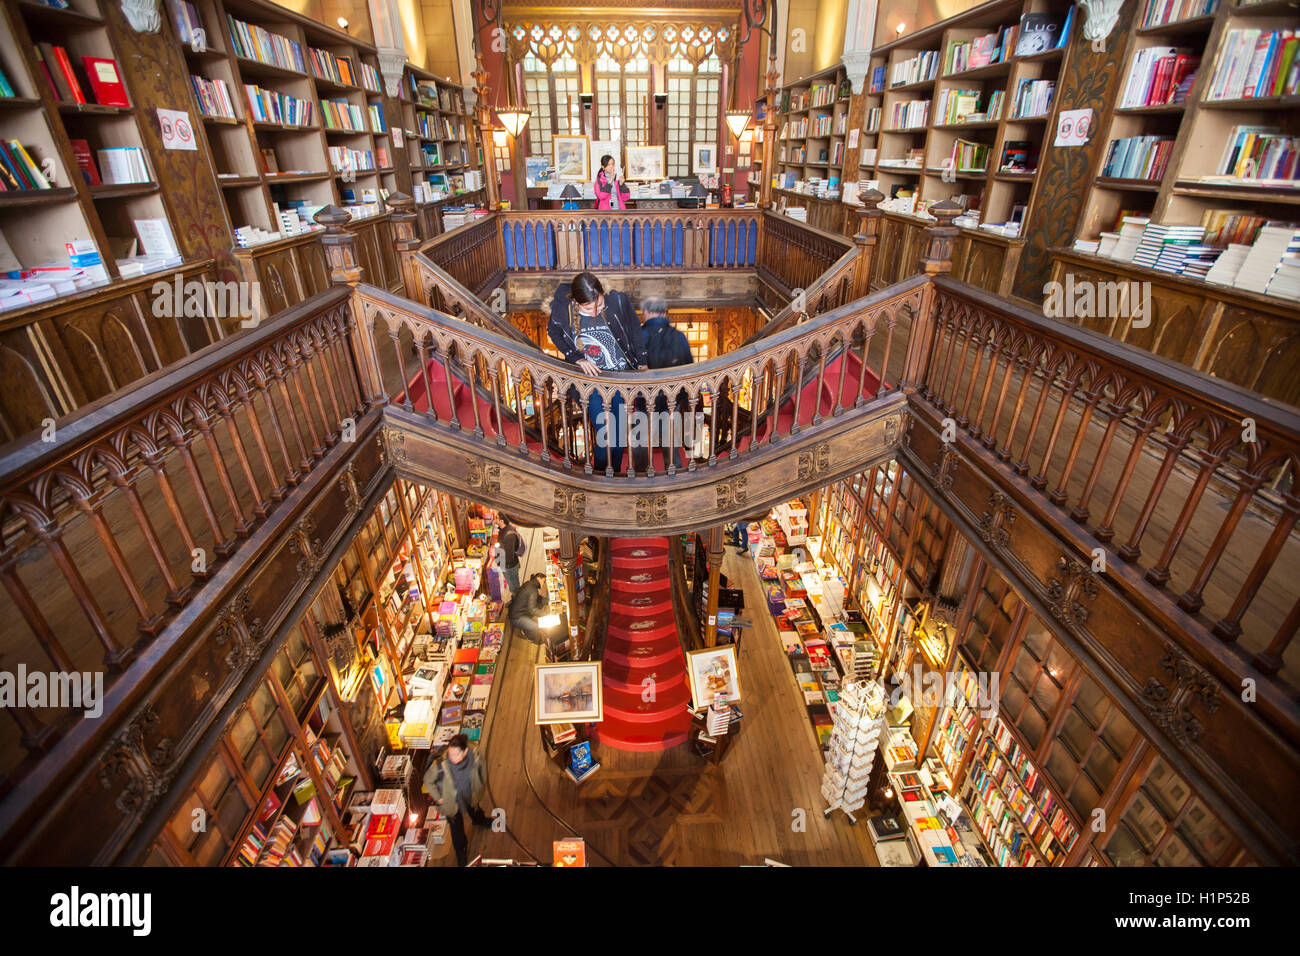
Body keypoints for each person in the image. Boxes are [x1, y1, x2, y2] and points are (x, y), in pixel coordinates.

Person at [547, 273, 647, 473]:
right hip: (592, 386)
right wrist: (576, 358)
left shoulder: (617, 301)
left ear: (602, 294)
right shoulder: (562, 310)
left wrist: (642, 362)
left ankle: (614, 473)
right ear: (576, 302)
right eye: (587, 308)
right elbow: (554, 332)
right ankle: (601, 476)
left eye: (599, 305)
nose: (594, 312)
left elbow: (635, 328)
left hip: (621, 380)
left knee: (618, 436)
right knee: (606, 434)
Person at [641, 296, 693, 469]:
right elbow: (689, 369)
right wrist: (683, 398)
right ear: (665, 312)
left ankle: (640, 476)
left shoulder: (638, 336)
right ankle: (674, 473)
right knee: (670, 440)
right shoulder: (678, 336)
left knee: (641, 439)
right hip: (672, 398)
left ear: (646, 312)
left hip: (643, 398)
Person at [422, 733, 490, 867]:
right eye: (450, 753)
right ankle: (461, 851)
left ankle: (479, 820)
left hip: (469, 795)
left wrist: (481, 784)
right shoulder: (440, 765)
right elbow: (427, 781)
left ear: (465, 751)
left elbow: (482, 769)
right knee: (456, 830)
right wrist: (439, 798)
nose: (451, 758)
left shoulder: (475, 755)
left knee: (475, 810)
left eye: (456, 754)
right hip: (451, 803)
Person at [508, 571, 551, 643]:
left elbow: (539, 598)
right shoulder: (533, 591)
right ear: (538, 578)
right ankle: (529, 637)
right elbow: (532, 610)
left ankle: (525, 626)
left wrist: (549, 601)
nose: (543, 584)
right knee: (535, 626)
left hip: (516, 611)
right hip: (517, 617)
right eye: (543, 581)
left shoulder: (529, 584)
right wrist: (546, 614)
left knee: (539, 605)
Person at [497, 519, 526, 594]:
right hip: (509, 565)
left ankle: (517, 601)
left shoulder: (509, 536)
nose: (495, 519)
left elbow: (509, 556)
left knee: (514, 587)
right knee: (514, 585)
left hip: (510, 567)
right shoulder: (503, 530)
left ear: (501, 521)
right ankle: (517, 598)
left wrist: (501, 564)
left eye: (496, 517)